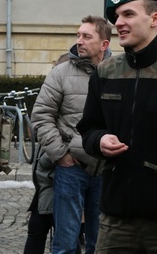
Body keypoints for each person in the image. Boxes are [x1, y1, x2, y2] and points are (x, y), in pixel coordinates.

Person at [77, 0, 157, 253]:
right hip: (116, 221)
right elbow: (88, 129)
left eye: (128, 15)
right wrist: (99, 140)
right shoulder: (106, 71)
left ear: (155, 19)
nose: (118, 23)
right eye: (117, 16)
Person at [29, 15, 112, 254]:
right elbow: (41, 116)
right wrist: (61, 155)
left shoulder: (118, 73)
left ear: (104, 44)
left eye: (87, 36)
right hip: (70, 168)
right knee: (65, 244)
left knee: (101, 245)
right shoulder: (60, 73)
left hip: (106, 170)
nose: (80, 41)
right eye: (78, 35)